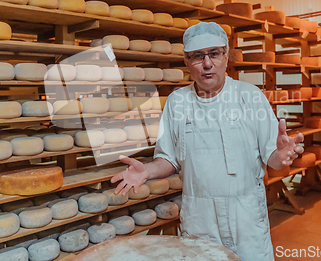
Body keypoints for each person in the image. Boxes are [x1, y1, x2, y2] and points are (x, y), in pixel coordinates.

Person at [111, 22, 304, 260]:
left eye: (214, 53)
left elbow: (273, 160)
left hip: (245, 216)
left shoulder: (250, 96)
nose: (207, 63)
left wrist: (282, 155)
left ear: (226, 56)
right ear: (186, 62)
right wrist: (148, 170)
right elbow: (169, 158)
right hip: (199, 217)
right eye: (197, 56)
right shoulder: (177, 102)